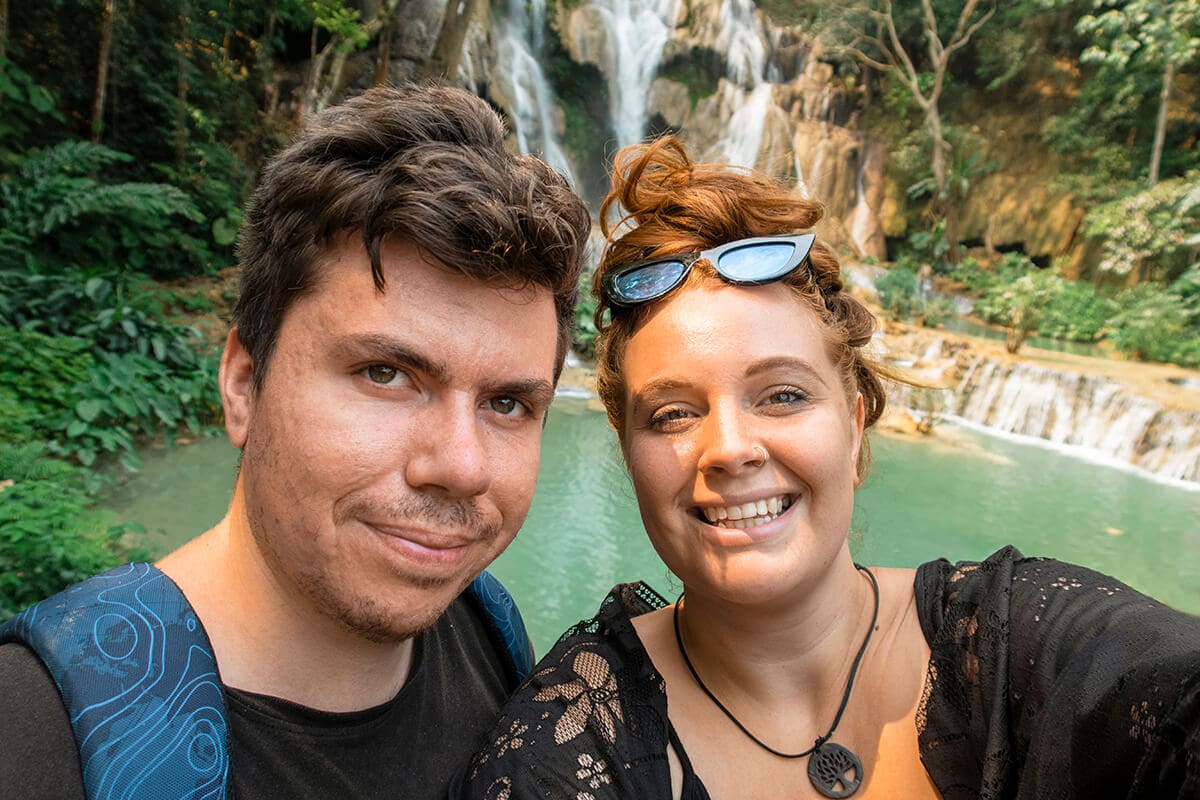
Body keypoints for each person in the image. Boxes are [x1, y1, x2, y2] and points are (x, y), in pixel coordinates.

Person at [454, 136, 1200, 799]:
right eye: (673, 413)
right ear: (629, 453)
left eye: (782, 395)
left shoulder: (1020, 643)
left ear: (854, 422)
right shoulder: (567, 742)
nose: (730, 448)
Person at [0, 83, 590, 800]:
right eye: (385, 374)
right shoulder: (38, 734)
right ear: (243, 385)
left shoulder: (490, 633)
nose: (462, 466)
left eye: (506, 403)